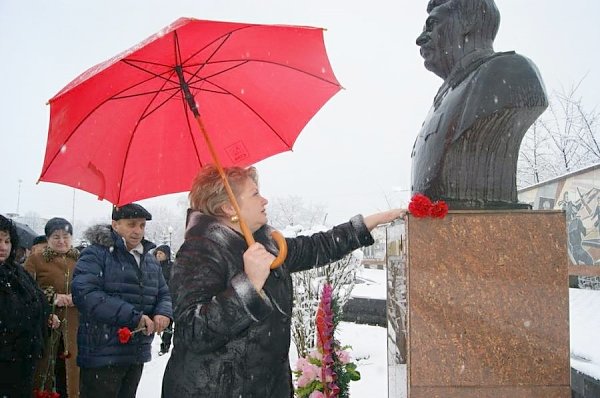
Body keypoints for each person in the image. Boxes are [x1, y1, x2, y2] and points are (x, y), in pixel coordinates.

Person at [161, 165, 406, 397]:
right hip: (216, 389)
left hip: (265, 386)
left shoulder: (262, 244)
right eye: (255, 194)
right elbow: (194, 331)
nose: (264, 200)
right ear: (230, 208)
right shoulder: (200, 251)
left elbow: (314, 247)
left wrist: (366, 225)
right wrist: (249, 284)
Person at [411, 0, 548, 209]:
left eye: (432, 25)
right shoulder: (447, 96)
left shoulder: (508, 73)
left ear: (468, 22)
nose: (420, 39)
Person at [72, 203, 173, 398]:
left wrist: (163, 312)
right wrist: (133, 317)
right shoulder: (96, 254)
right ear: (115, 224)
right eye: (132, 224)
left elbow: (163, 292)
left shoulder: (149, 260)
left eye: (142, 225)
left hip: (135, 351)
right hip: (102, 351)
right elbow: (86, 294)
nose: (138, 231)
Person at [0, 215, 58, 397]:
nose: (3, 247)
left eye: (7, 241)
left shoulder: (17, 272)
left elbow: (37, 300)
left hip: (22, 362)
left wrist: (47, 315)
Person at [25, 217, 80, 398]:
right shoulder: (36, 260)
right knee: (46, 373)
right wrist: (51, 297)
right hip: (47, 327)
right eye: (56, 237)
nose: (62, 241)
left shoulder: (81, 260)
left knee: (71, 377)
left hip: (75, 327)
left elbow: (93, 286)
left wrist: (78, 297)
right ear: (48, 239)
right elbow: (25, 290)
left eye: (66, 236)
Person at [154, 244, 174, 356]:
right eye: (157, 253)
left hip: (169, 298)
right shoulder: (153, 266)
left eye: (161, 253)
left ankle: (165, 346)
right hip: (155, 298)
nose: (158, 255)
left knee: (168, 324)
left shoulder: (172, 267)